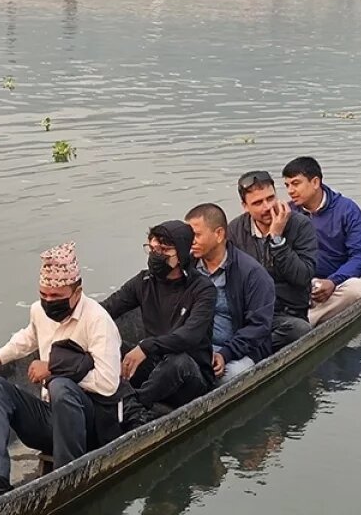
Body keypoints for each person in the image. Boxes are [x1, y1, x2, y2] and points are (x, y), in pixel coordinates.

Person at [0, 243, 123, 502]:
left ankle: (65, 476)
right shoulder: (39, 311)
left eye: (57, 296)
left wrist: (53, 371)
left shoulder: (98, 321)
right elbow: (28, 337)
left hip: (90, 427)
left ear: (77, 292)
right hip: (52, 420)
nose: (49, 302)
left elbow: (107, 384)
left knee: (60, 386)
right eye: (44, 295)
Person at [103, 221, 216, 414]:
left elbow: (189, 336)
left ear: (180, 253)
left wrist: (146, 346)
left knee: (178, 362)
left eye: (164, 250)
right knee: (109, 343)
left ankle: (132, 407)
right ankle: (107, 397)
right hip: (154, 365)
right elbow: (106, 309)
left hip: (190, 376)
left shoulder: (202, 289)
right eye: (152, 249)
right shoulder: (143, 282)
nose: (156, 255)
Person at [226, 171, 319, 349]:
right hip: (249, 314)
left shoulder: (300, 225)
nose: (267, 207)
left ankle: (253, 348)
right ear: (245, 206)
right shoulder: (235, 230)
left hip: (286, 314)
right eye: (258, 203)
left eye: (270, 198)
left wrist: (277, 240)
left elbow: (303, 276)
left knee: (299, 330)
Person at [185, 204, 275, 385]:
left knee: (230, 376)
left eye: (196, 235)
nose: (191, 241)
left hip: (237, 352)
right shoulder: (187, 267)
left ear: (218, 234)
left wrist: (225, 354)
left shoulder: (252, 273)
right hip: (194, 344)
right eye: (187, 236)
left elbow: (259, 327)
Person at [282, 157, 361, 326]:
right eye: (287, 185)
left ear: (315, 182)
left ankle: (305, 322)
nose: (290, 191)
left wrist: (333, 281)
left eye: (296, 183)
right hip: (299, 286)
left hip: (335, 286)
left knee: (357, 289)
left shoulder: (347, 210)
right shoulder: (288, 213)